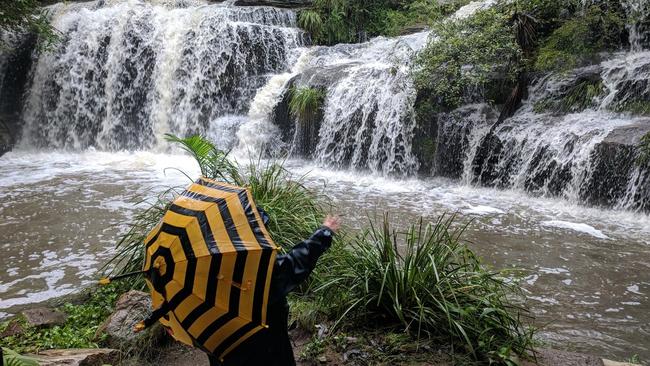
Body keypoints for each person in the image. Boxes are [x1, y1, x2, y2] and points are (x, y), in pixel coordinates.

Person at [207, 215, 341, 366]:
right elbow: (291, 266)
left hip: (224, 352)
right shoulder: (250, 265)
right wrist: (324, 232)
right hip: (267, 349)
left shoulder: (198, 270)